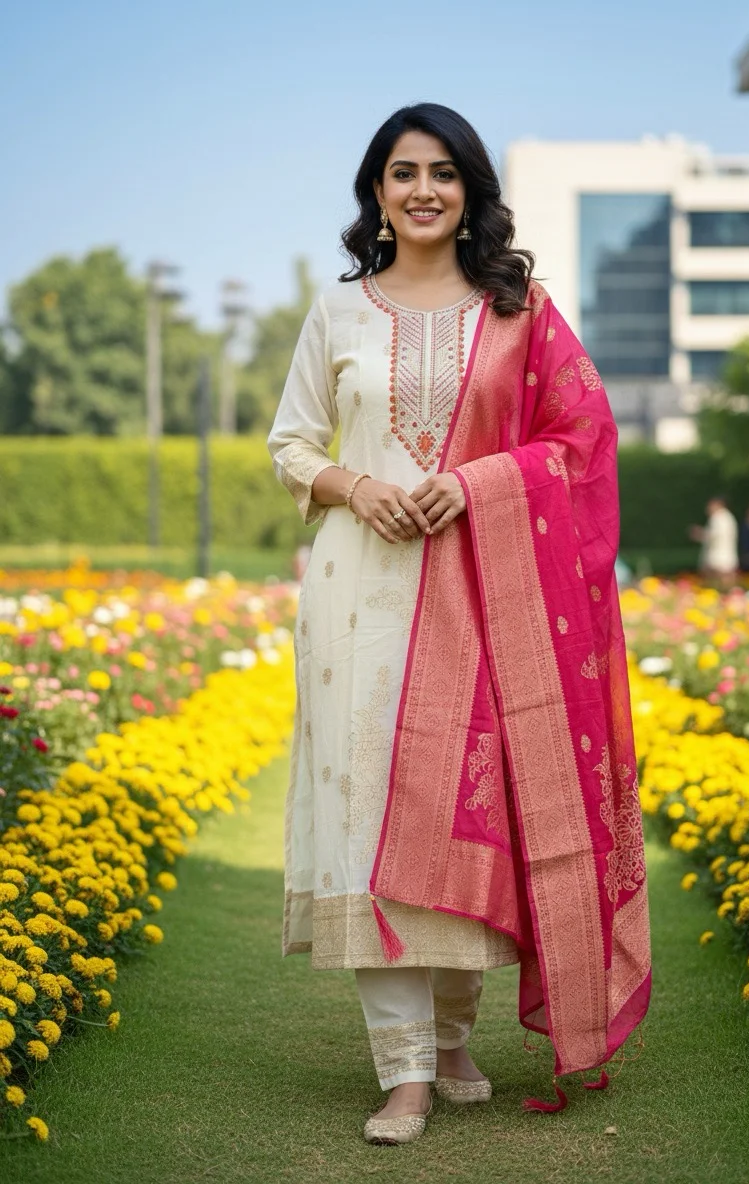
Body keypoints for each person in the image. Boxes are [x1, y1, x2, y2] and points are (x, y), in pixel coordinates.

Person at [267, 103, 650, 1146]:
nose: (423, 189)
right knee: (370, 812)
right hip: (357, 598)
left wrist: (479, 481)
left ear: (471, 190)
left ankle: (449, 1032)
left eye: (444, 172)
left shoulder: (519, 310)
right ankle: (404, 1071)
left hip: (479, 589)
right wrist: (354, 485)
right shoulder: (338, 313)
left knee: (463, 803)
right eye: (403, 173)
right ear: (376, 192)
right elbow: (291, 441)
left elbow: (582, 434)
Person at [689, 496, 738, 587]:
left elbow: (713, 537)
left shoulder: (718, 517)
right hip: (725, 558)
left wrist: (699, 534)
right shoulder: (727, 517)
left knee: (719, 585)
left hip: (718, 559)